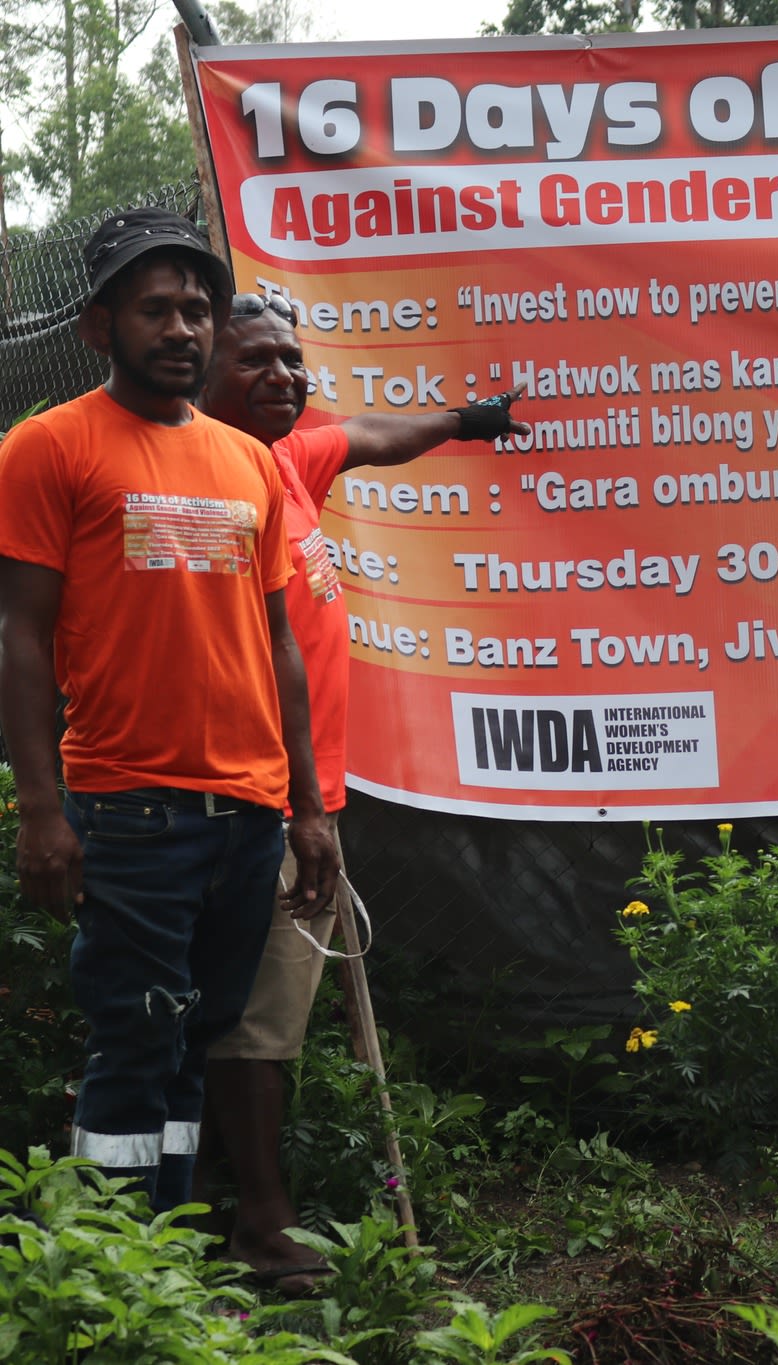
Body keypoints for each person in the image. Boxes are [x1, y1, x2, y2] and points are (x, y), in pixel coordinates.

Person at [0, 208, 341, 1212]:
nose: (184, 329)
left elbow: (279, 642)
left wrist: (309, 808)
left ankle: (175, 1249)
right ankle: (111, 1273)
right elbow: (19, 637)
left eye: (197, 310)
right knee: (135, 1039)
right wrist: (42, 811)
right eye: (157, 309)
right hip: (129, 808)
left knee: (195, 1039)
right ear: (99, 327)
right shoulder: (47, 448)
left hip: (247, 812)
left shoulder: (248, 463)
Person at [194, 291, 525, 1290]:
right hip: (246, 800)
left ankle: (212, 1217)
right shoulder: (208, 486)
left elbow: (376, 433)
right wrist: (296, 806)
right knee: (254, 1021)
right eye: (258, 362)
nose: (286, 378)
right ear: (200, 376)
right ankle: (258, 1225)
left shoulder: (290, 462)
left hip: (300, 798)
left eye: (294, 361)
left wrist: (467, 423)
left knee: (252, 1017)